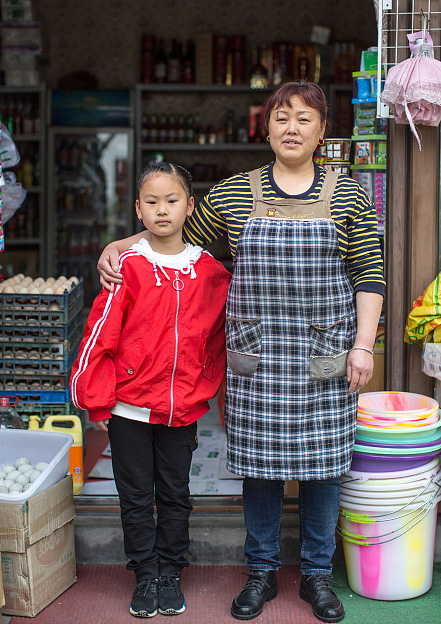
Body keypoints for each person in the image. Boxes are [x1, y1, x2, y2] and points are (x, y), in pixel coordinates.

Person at [98, 82, 384, 623]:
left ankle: (319, 574)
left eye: (304, 119)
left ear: (323, 132)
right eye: (281, 118)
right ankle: (261, 572)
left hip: (325, 354)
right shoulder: (233, 194)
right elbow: (177, 241)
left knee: (323, 470)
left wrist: (363, 346)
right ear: (266, 127)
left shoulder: (349, 196)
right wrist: (121, 245)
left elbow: (369, 275)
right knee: (261, 469)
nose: (292, 128)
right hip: (257, 357)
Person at [72, 162, 230, 618]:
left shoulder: (209, 272)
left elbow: (219, 336)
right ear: (138, 210)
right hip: (128, 408)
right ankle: (144, 574)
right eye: (152, 202)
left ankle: (170, 573)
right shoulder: (129, 268)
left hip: (182, 410)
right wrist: (96, 400)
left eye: (172, 200)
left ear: (189, 206)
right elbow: (100, 335)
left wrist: (205, 388)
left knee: (176, 493)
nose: (163, 210)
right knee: (136, 496)